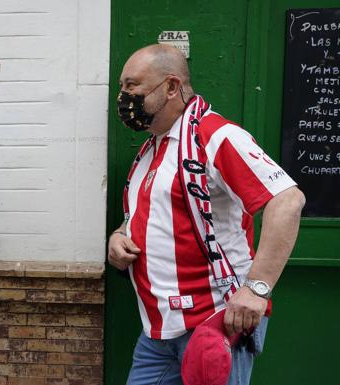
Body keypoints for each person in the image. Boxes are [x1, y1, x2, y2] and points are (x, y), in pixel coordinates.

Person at [107, 44, 305, 385]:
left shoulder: (215, 136)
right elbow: (150, 214)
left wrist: (256, 290)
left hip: (213, 322)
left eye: (132, 86)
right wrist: (120, 235)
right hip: (159, 330)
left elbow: (287, 201)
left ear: (171, 87)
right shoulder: (154, 147)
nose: (124, 97)